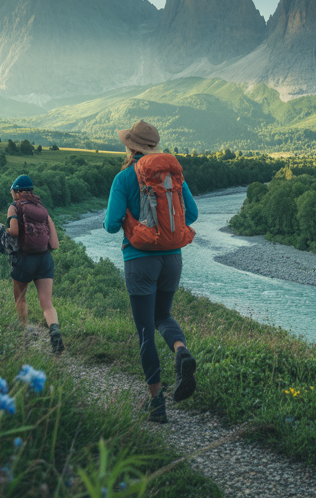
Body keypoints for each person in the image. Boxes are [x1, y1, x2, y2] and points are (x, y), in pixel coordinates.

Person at [103, 120, 198, 424]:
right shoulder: (172, 176)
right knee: (163, 317)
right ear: (153, 147)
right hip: (173, 259)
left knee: (145, 329)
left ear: (131, 146)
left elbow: (110, 224)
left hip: (140, 260)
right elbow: (192, 214)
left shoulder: (123, 177)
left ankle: (156, 403)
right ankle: (180, 350)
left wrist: (131, 217)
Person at [6, 175, 64, 353]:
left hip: (25, 259)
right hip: (45, 259)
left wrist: (5, 229)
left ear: (17, 192)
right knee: (47, 303)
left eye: (12, 191)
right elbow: (54, 244)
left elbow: (14, 231)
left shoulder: (14, 207)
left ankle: (23, 334)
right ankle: (54, 329)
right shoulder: (42, 210)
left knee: (20, 297)